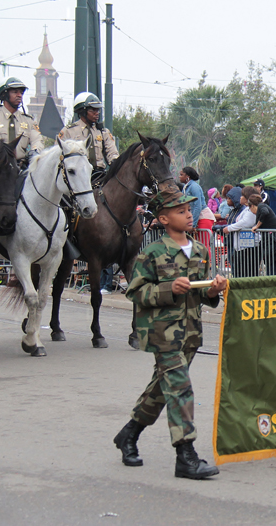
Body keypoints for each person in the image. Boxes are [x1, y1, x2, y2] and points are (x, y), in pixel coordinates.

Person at [114, 186, 227, 479]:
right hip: (162, 333)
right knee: (179, 388)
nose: (189, 215)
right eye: (181, 212)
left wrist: (214, 290)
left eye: (189, 211)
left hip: (190, 333)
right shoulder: (152, 253)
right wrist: (168, 288)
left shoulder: (200, 250)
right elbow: (136, 292)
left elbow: (202, 293)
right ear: (164, 219)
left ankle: (128, 434)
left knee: (161, 389)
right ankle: (186, 456)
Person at [58, 92, 119, 183]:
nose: (97, 113)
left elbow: (112, 152)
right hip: (78, 177)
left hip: (99, 176)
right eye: (93, 110)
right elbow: (58, 155)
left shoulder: (103, 132)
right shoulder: (68, 131)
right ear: (82, 111)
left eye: (98, 110)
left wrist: (115, 162)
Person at [222, 186, 257, 277]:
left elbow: (245, 222)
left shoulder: (251, 210)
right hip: (241, 246)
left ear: (247, 198)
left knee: (246, 273)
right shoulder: (246, 209)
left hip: (248, 247)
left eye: (242, 196)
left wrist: (229, 228)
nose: (240, 197)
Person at [248, 193, 276, 276]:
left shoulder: (261, 207)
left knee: (273, 266)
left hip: (273, 242)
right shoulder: (263, 206)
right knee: (271, 266)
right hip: (271, 242)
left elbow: (265, 212)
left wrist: (257, 226)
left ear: (252, 206)